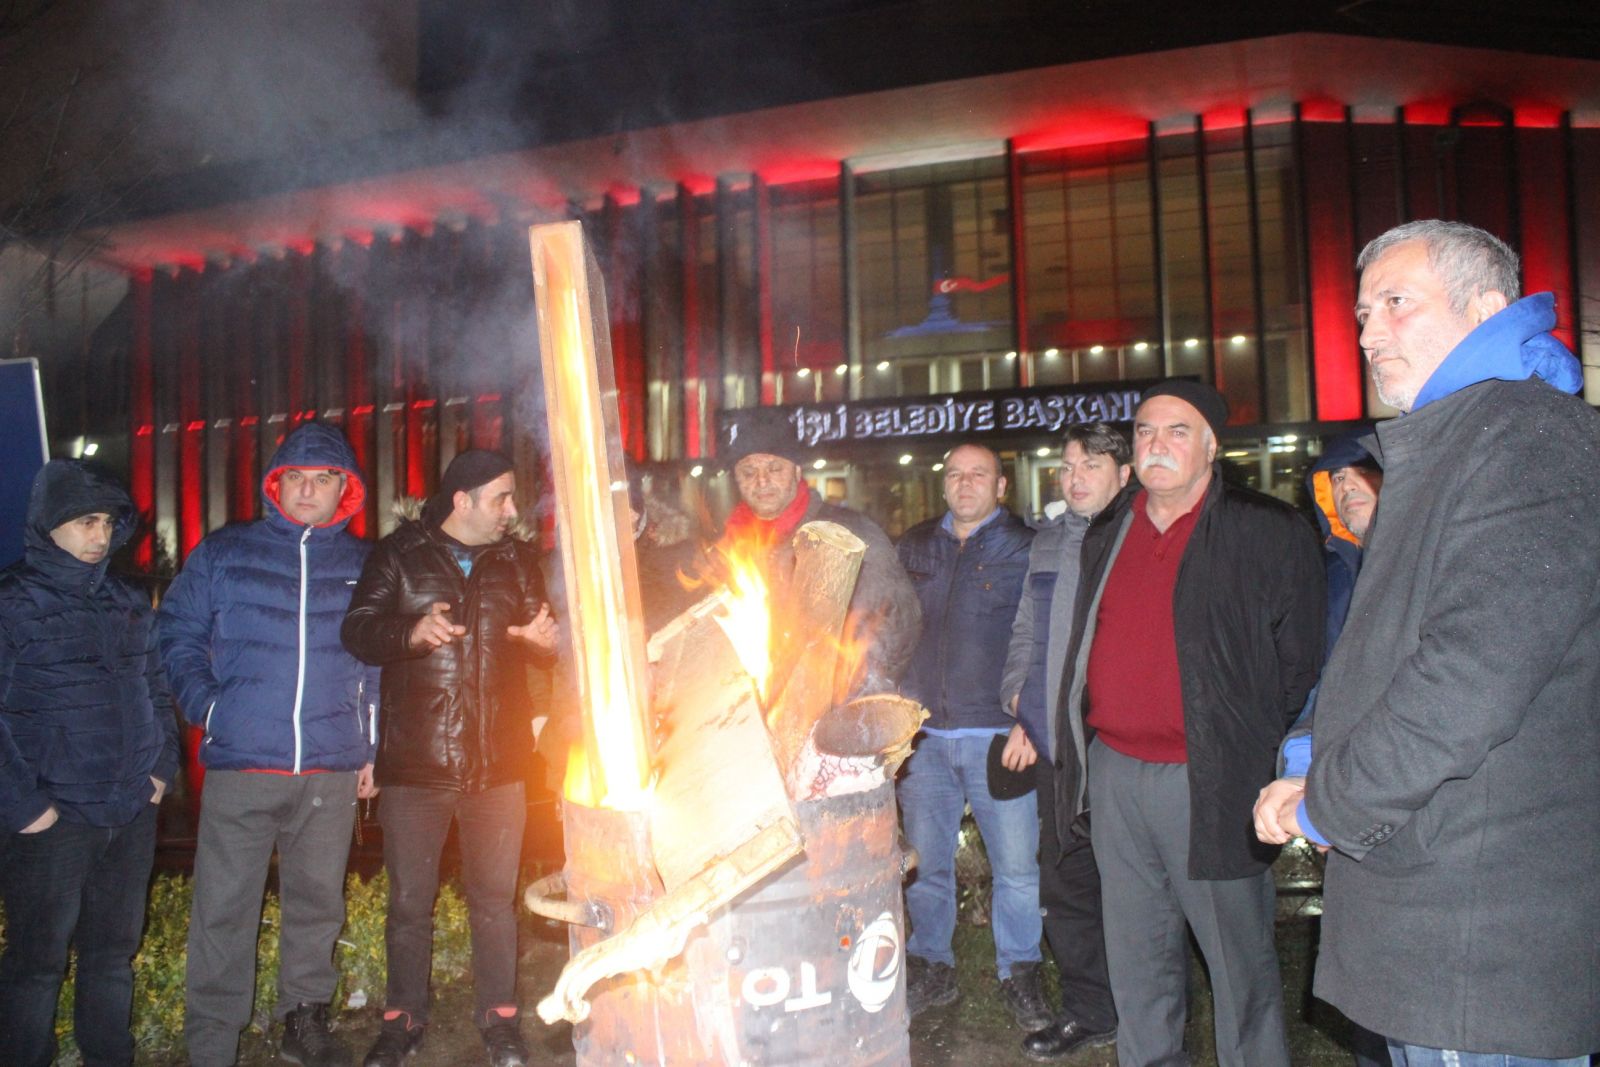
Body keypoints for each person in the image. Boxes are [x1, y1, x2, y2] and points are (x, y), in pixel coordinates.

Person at [1260, 220, 1600, 1066]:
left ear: (1486, 308)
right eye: (1362, 312)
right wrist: (1313, 751)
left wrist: (1327, 801)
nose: (1368, 333)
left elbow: (1467, 680)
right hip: (1446, 912)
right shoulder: (1461, 440)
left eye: (1396, 302)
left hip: (1478, 937)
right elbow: (1389, 651)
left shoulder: (1526, 437)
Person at [1052, 379, 1324, 1067]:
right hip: (1116, 772)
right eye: (1145, 431)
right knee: (1137, 956)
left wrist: (1248, 744)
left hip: (1212, 779)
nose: (1157, 444)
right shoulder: (1110, 528)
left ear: (1211, 445)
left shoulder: (1268, 529)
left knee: (1238, 962)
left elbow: (1301, 662)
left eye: (1178, 431)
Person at [159, 422, 379, 1067]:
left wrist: (372, 748)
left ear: (345, 488)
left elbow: (378, 663)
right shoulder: (225, 552)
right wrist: (211, 709)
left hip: (330, 766)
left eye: (323, 478)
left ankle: (303, 1020)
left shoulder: (363, 565)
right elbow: (176, 632)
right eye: (296, 478)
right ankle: (212, 1043)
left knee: (318, 904)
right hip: (243, 765)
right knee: (223, 909)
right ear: (276, 484)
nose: (308, 490)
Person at [342, 450, 558, 1067]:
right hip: (417, 762)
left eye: (513, 497)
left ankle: (500, 1022)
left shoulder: (517, 560)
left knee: (494, 900)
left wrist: (544, 643)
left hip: (499, 762)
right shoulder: (398, 554)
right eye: (501, 498)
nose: (512, 510)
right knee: (410, 903)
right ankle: (402, 1021)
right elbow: (357, 630)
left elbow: (543, 641)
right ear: (462, 500)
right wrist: (410, 632)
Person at [0, 460, 180, 1067]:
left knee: (111, 956)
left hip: (129, 810)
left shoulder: (126, 600)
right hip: (52, 817)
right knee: (36, 963)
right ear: (49, 524)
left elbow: (156, 689)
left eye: (106, 522)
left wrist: (160, 771)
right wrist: (26, 808)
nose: (99, 536)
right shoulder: (10, 601)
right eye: (85, 522)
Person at [1254, 433, 1389, 1067]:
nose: (1344, 488)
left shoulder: (1434, 557)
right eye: (1333, 481)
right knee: (1367, 957)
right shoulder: (1331, 576)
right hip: (1347, 790)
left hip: (1430, 790)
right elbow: (1320, 683)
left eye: (1360, 475)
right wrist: (1303, 769)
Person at [895, 443, 1042, 1025]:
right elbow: (887, 627)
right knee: (925, 865)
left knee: (1017, 869)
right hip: (923, 740)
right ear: (943, 484)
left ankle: (1020, 972)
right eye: (955, 474)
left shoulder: (1027, 548)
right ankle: (931, 965)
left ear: (1001, 486)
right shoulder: (913, 546)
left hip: (1000, 739)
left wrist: (1031, 720)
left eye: (979, 474)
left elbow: (1047, 638)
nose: (965, 483)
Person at [999, 423, 1128, 1060]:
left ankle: (1147, 1016)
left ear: (1124, 474)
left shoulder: (1138, 536)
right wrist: (1019, 704)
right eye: (1068, 466)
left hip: (1116, 749)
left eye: (1091, 466)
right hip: (1056, 752)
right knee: (1065, 886)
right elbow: (1029, 628)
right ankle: (1090, 1011)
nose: (1075, 479)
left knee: (1131, 890)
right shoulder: (1049, 539)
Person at [717, 418, 919, 700]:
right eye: (748, 471)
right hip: (755, 712)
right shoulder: (728, 550)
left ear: (797, 470)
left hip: (830, 708)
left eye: (774, 468)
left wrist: (852, 704)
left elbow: (892, 622)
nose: (761, 481)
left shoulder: (847, 533)